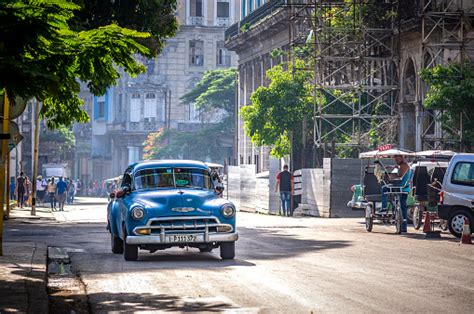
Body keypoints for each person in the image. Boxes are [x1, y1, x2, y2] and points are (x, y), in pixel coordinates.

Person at [380, 155, 411, 232]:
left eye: (397, 159)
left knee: (384, 188)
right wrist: (393, 167)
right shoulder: (402, 165)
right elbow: (398, 168)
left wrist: (391, 175)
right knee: (403, 205)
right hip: (405, 188)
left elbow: (399, 176)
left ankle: (384, 207)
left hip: (400, 187)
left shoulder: (404, 166)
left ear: (402, 158)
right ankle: (404, 227)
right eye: (395, 160)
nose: (396, 161)